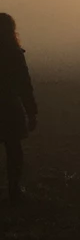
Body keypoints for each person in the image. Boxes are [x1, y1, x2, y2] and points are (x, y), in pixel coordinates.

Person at [0, 13, 37, 204]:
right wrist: (31, 111)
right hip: (9, 106)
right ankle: (14, 190)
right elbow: (24, 84)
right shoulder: (14, 54)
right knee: (14, 149)